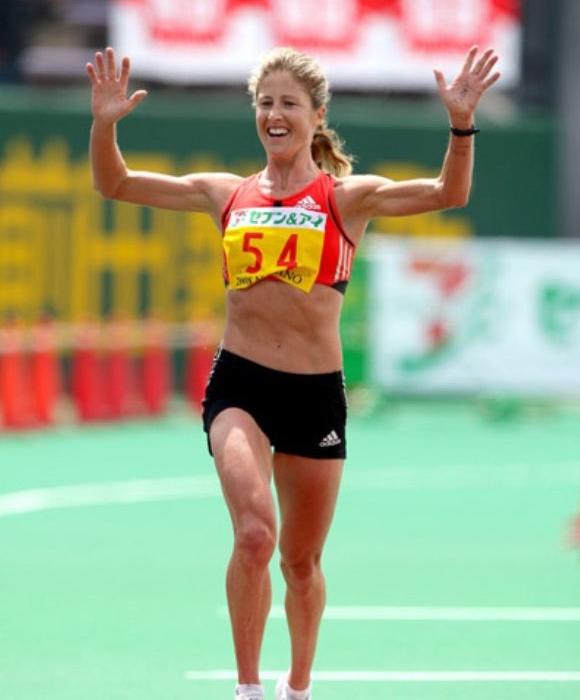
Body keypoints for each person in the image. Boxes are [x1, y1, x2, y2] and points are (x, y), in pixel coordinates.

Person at [86, 44, 500, 700]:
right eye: (265, 102)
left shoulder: (345, 199)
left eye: (288, 104)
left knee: (300, 562)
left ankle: (297, 684)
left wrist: (461, 124)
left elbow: (449, 192)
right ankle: (247, 688)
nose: (274, 114)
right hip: (240, 386)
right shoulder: (225, 192)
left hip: (313, 397)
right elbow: (116, 184)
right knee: (253, 533)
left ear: (317, 115)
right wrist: (105, 123)